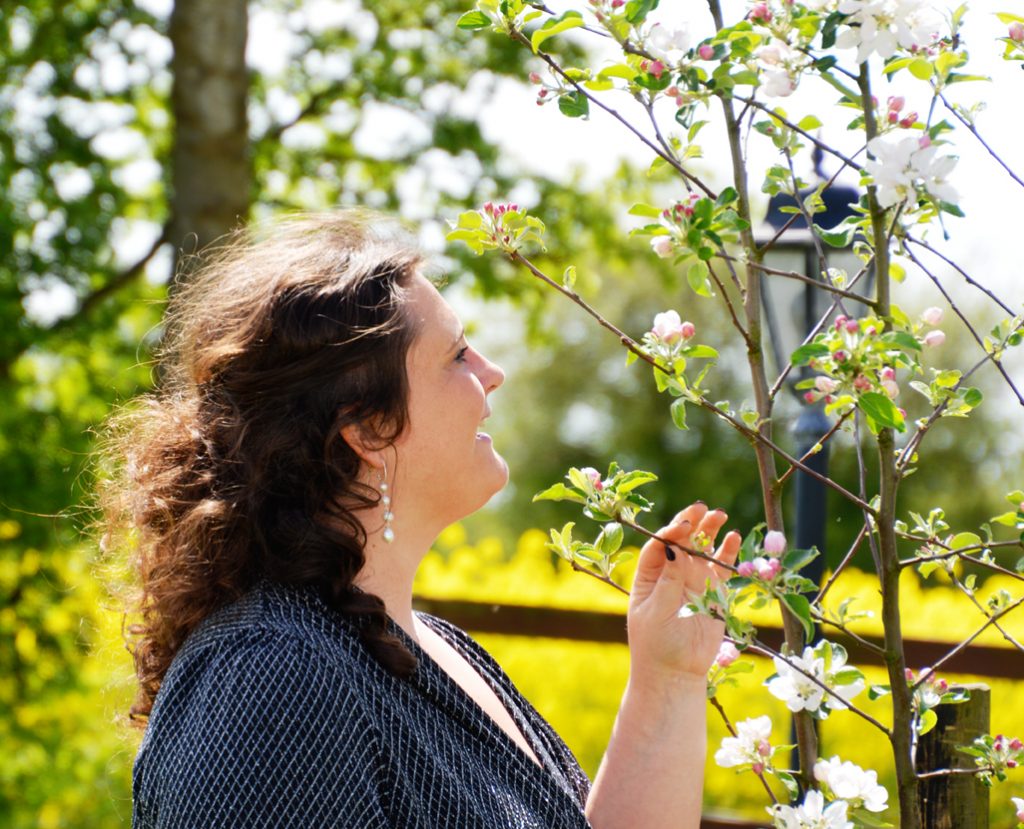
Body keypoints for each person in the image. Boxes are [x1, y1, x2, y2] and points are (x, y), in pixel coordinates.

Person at [99, 210, 741, 829]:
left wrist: (668, 680)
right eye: (458, 355)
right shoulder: (272, 680)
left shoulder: (434, 648)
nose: (494, 373)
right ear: (369, 429)